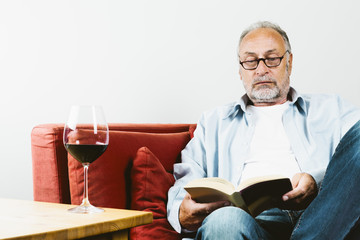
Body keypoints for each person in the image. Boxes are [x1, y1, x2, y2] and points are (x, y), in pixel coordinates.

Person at [167, 21, 360, 240]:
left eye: (272, 59)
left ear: (289, 62)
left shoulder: (332, 109)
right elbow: (185, 184)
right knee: (224, 221)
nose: (261, 69)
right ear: (240, 70)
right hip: (245, 221)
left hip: (322, 216)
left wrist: (317, 182)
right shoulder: (214, 122)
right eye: (250, 61)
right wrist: (181, 212)